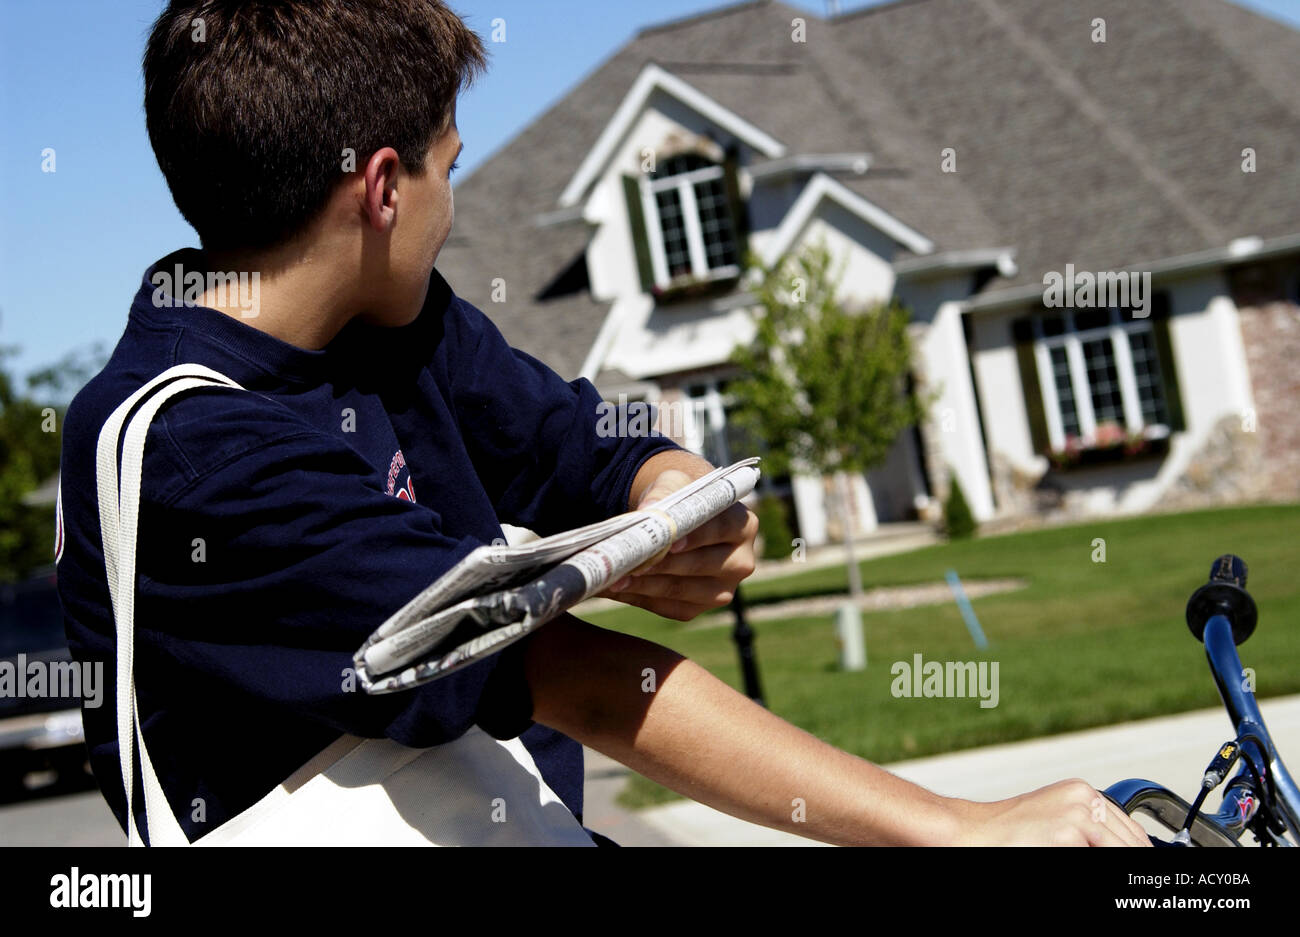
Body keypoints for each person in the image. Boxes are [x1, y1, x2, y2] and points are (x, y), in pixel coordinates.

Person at [56, 0, 1150, 847]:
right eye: (450, 165)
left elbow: (570, 443)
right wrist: (952, 823)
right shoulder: (186, 450)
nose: (455, 201)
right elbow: (554, 669)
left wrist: (668, 491)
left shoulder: (398, 320)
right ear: (382, 190)